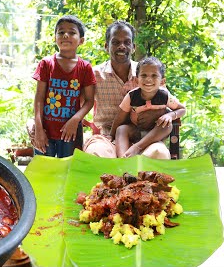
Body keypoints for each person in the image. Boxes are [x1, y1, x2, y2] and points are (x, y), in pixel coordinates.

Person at [82, 20, 172, 159]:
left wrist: (157, 113)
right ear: (106, 46)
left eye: (127, 42)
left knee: (159, 154)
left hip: (145, 138)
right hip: (108, 138)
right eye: (115, 42)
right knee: (95, 154)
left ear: (133, 47)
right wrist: (43, 126)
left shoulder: (148, 74)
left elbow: (170, 107)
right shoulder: (95, 75)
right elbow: (76, 106)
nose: (122, 46)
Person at [32, 15, 96, 158]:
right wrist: (38, 128)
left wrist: (75, 120)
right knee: (44, 171)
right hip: (45, 132)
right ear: (55, 38)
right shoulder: (46, 64)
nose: (65, 35)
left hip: (69, 133)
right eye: (61, 32)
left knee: (66, 172)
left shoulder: (85, 68)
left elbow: (90, 100)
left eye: (72, 32)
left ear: (81, 40)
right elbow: (39, 98)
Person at [110, 56, 186, 158]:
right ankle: (123, 158)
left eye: (154, 75)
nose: (148, 79)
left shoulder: (165, 96)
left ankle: (137, 147)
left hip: (155, 132)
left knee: (168, 125)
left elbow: (182, 109)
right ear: (137, 80)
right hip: (136, 130)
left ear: (162, 81)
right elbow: (120, 117)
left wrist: (171, 115)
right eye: (144, 75)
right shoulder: (132, 96)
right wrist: (111, 135)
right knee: (121, 129)